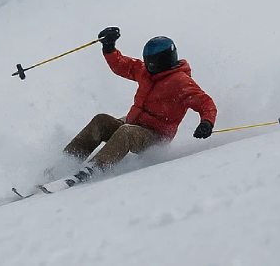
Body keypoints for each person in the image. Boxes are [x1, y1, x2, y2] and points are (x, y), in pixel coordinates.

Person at [45, 27, 217, 191]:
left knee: (126, 132)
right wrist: (109, 47)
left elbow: (206, 103)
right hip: (134, 123)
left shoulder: (180, 82)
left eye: (153, 62)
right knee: (101, 121)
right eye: (147, 61)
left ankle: (93, 169)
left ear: (165, 61)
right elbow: (123, 65)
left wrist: (207, 122)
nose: (149, 65)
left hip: (155, 136)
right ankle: (66, 162)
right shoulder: (146, 72)